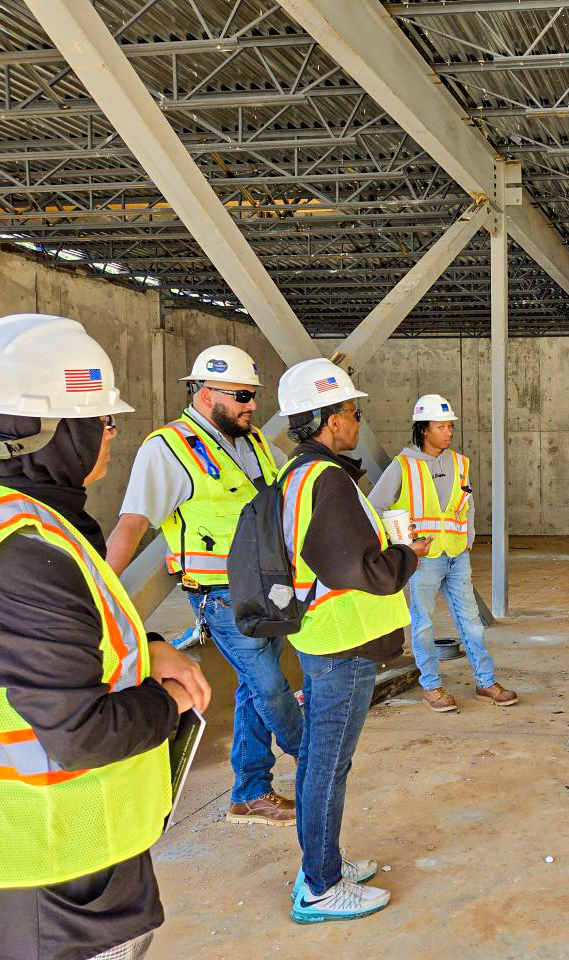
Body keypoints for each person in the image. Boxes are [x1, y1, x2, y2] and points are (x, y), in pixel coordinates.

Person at [0, 313, 211, 960]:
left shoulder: (12, 527)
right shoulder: (27, 555)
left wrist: (151, 642)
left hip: (34, 867)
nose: (110, 439)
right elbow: (80, 731)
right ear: (56, 433)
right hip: (51, 872)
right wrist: (170, 700)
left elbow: (66, 638)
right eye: (102, 423)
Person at [106, 345, 301, 827]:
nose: (251, 405)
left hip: (269, 589)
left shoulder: (253, 441)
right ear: (206, 392)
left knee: (255, 691)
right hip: (221, 596)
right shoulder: (167, 447)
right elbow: (133, 522)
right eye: (241, 395)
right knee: (272, 689)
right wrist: (103, 591)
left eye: (252, 395)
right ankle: (316, 757)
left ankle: (250, 790)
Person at [276, 358, 426, 924]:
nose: (357, 421)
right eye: (351, 412)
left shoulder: (303, 474)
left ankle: (324, 860)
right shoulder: (328, 480)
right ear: (329, 419)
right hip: (344, 643)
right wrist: (409, 551)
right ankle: (320, 886)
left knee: (322, 759)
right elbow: (368, 572)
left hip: (329, 640)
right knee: (326, 765)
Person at [368, 394, 516, 712]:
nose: (448, 432)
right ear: (424, 430)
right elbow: (375, 506)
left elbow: (467, 504)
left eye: (450, 426)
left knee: (471, 622)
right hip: (422, 560)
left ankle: (486, 681)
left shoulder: (460, 463)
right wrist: (400, 544)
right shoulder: (403, 466)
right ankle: (432, 687)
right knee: (422, 624)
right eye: (441, 426)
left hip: (456, 555)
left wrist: (469, 539)